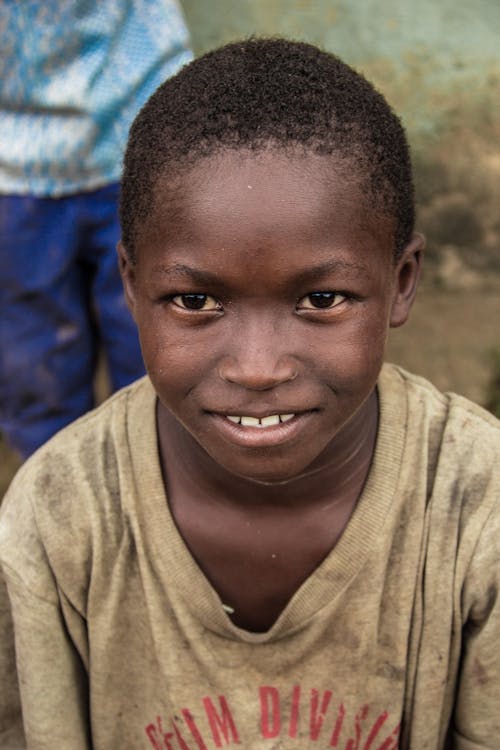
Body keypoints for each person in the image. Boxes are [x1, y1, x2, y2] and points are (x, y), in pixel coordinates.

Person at [1, 38, 499, 749]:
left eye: (322, 298)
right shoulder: (59, 516)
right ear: (133, 285)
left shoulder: (478, 507)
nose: (259, 369)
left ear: (403, 281)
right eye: (196, 300)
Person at [0, 0, 192, 458]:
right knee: (36, 369)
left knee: (160, 352)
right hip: (11, 163)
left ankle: (158, 488)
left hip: (139, 127)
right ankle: (55, 496)